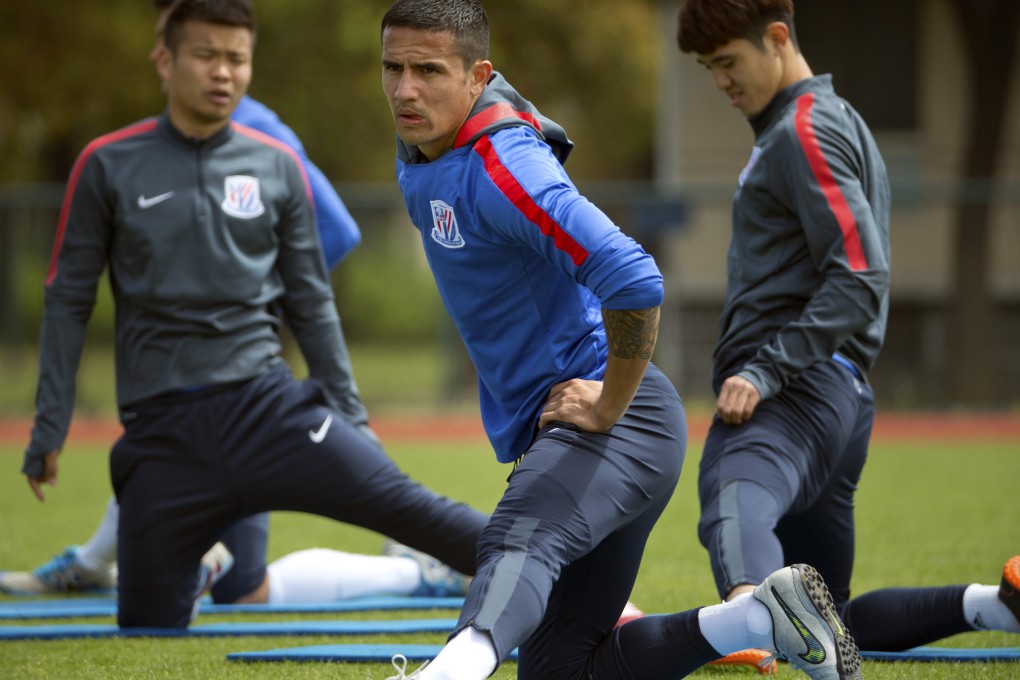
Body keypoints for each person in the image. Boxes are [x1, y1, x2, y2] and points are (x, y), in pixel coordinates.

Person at [378, 2, 863, 678]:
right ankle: (755, 618)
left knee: (517, 541)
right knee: (559, 670)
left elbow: (634, 277)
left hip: (616, 422)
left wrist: (608, 404)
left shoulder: (503, 165)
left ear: (477, 76)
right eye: (393, 68)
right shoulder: (424, 145)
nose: (405, 89)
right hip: (595, 431)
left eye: (429, 70)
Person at [19, 0, 489, 629]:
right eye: (206, 56)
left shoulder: (275, 162)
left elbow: (312, 304)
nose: (223, 72)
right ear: (166, 59)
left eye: (237, 59)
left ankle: (580, 586)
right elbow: (68, 299)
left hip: (269, 413)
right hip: (161, 432)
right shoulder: (106, 163)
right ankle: (197, 558)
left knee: (417, 511)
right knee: (149, 626)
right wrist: (50, 425)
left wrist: (351, 414)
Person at [675, 0, 1020, 656]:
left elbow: (861, 276)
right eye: (706, 67)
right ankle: (999, 605)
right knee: (829, 619)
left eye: (727, 62)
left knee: (731, 493)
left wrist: (763, 367)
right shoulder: (825, 122)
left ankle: (752, 615)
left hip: (791, 395)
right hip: (836, 400)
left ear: (777, 38)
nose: (719, 81)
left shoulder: (803, 129)